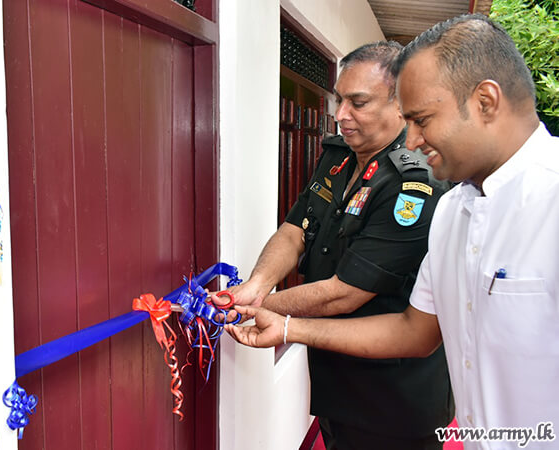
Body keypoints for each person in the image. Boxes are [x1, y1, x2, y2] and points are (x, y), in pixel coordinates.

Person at [227, 14, 559, 450]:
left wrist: (267, 310)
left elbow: (350, 292)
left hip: (395, 405)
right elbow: (413, 331)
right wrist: (287, 327)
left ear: (485, 101)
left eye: (421, 119)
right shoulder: (454, 211)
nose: (414, 139)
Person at [217, 41, 453, 449]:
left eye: (357, 103)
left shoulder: (413, 185)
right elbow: (295, 229)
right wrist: (256, 286)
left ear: (400, 105)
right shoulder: (339, 155)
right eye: (339, 99)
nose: (341, 115)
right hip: (336, 382)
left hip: (393, 399)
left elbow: (344, 293)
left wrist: (255, 307)